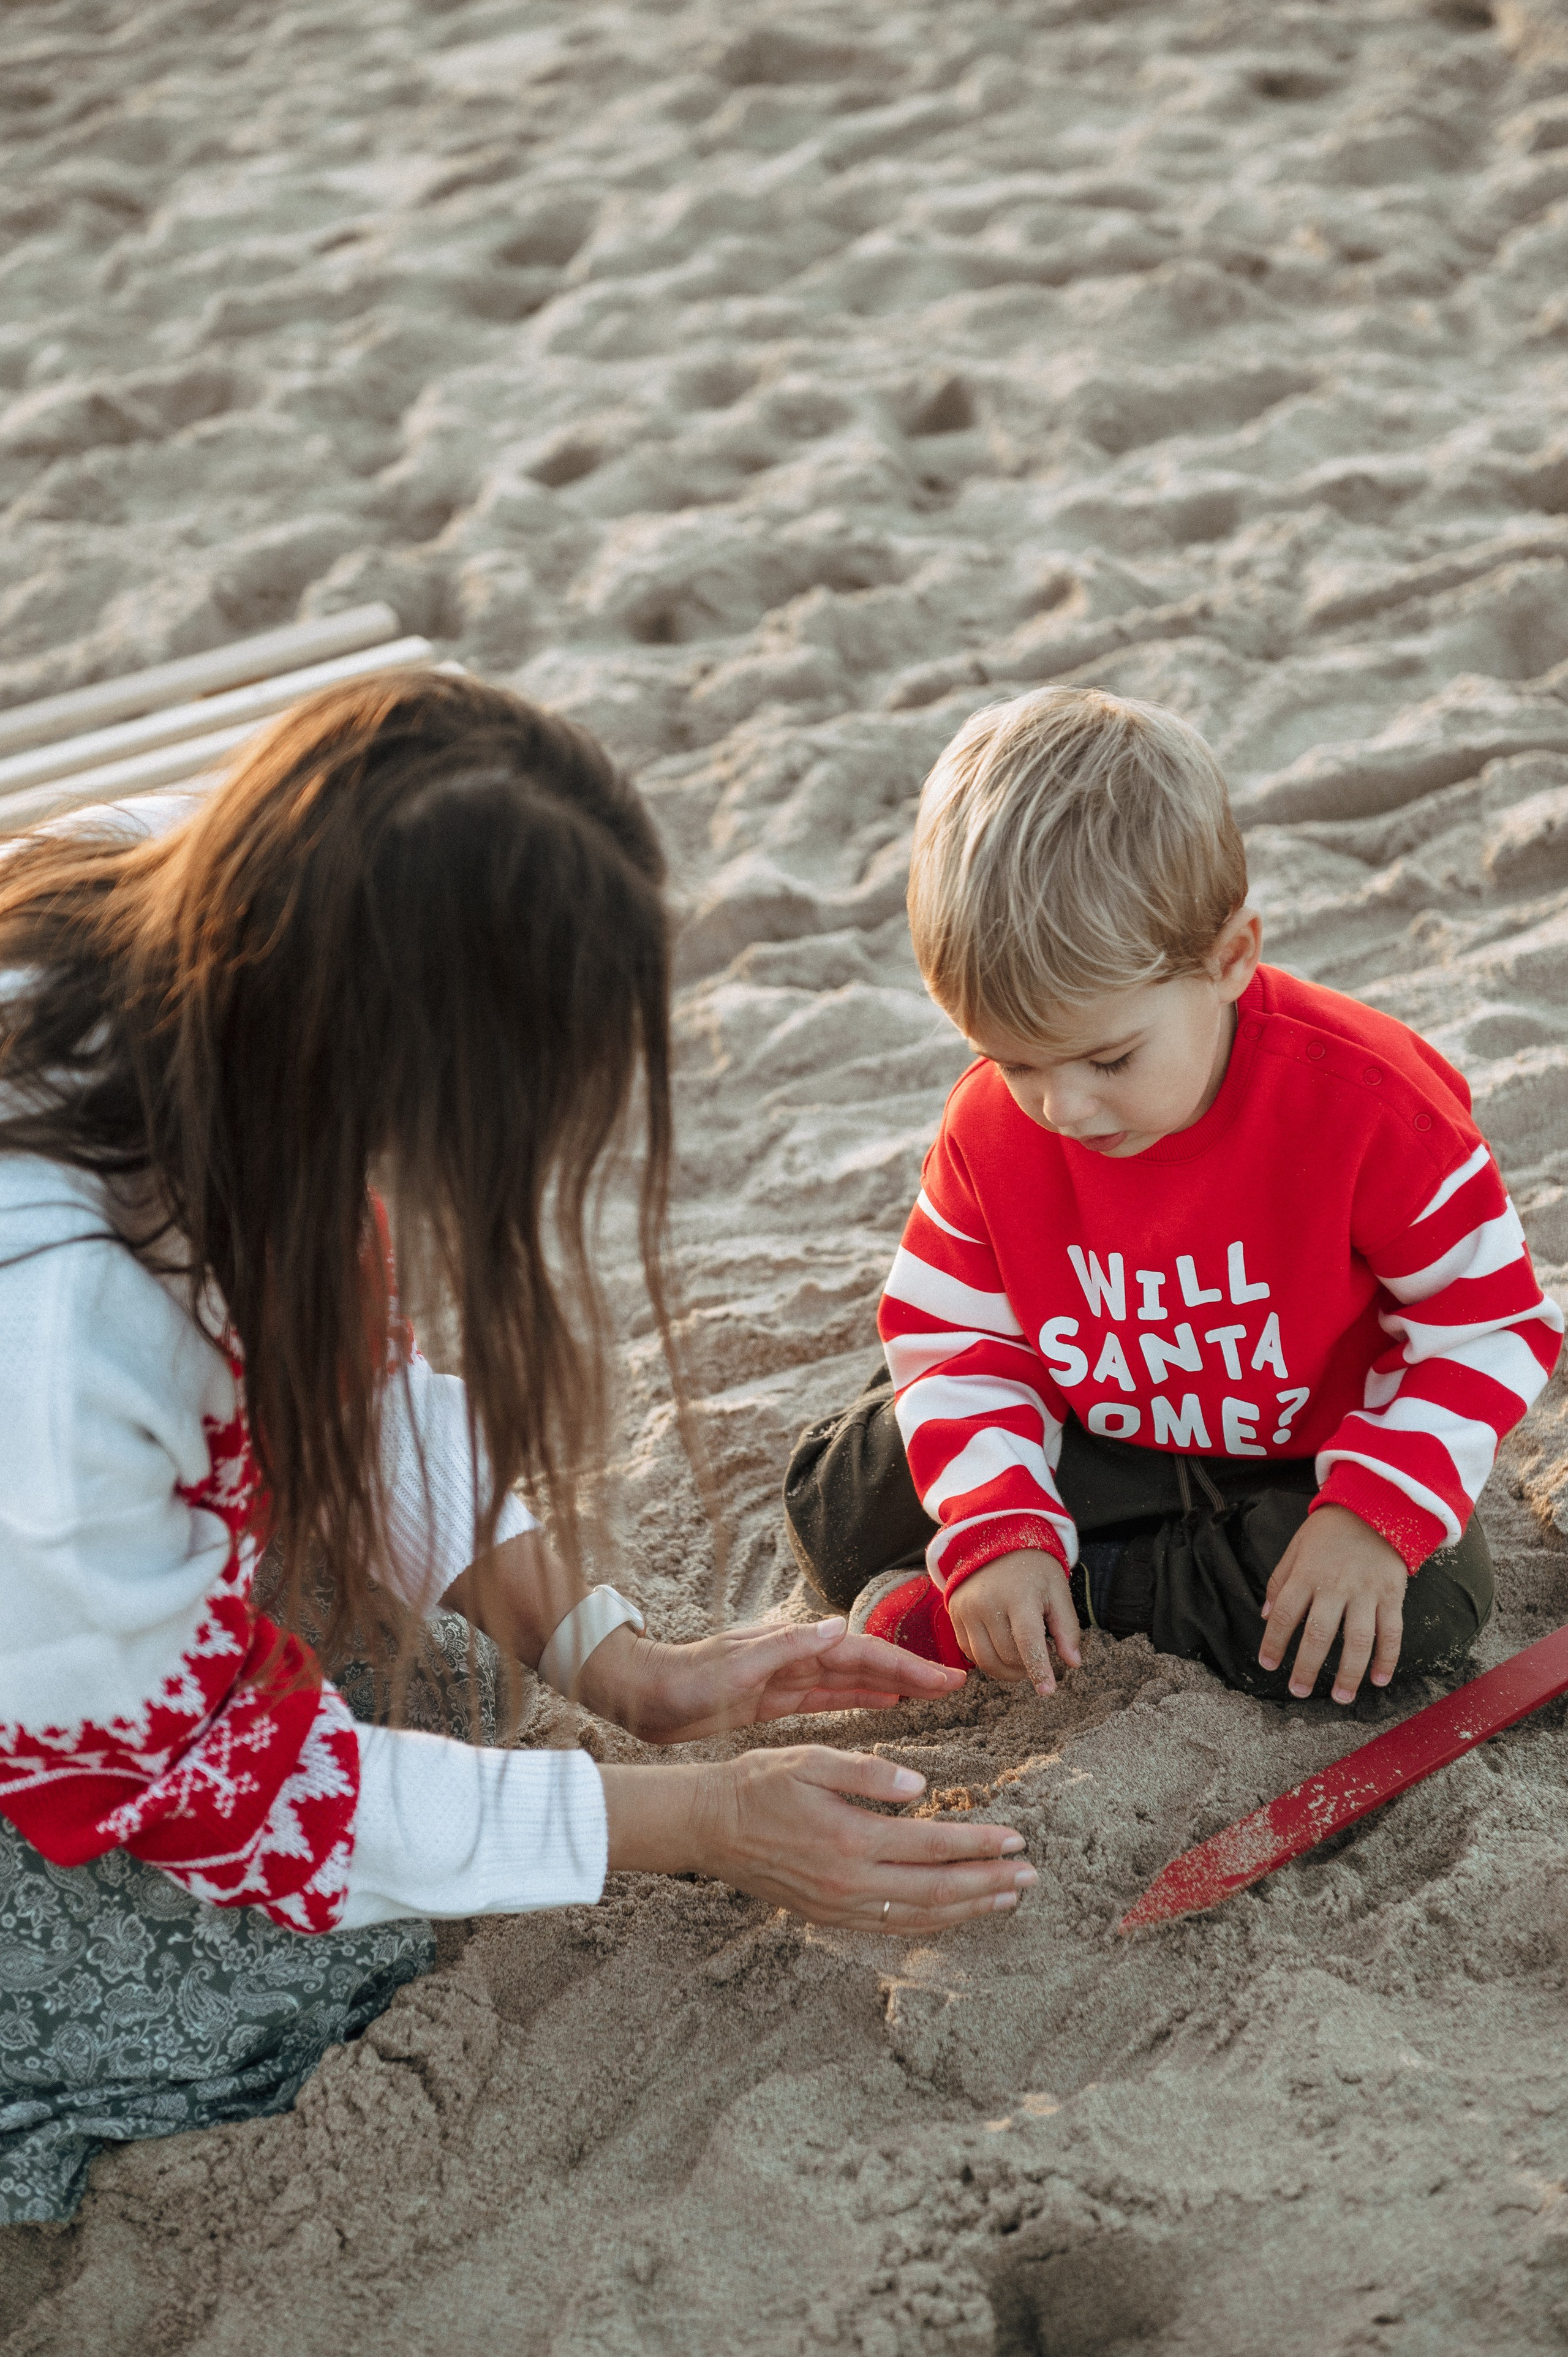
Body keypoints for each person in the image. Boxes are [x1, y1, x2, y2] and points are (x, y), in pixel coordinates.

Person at [0, 671, 1034, 2226]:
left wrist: (626, 1666)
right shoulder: (56, 1326)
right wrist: (698, 1825)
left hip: (67, 1574)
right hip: (58, 1619)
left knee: (458, 1695)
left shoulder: (210, 922)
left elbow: (356, 1369)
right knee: (272, 1993)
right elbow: (211, 1787)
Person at [784, 687, 1562, 1710]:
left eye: (1109, 1057)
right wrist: (997, 1527)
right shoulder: (995, 1123)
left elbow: (1487, 1323)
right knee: (834, 1513)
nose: (1063, 1106)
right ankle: (1016, 1587)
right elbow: (956, 1340)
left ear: (1230, 959)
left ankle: (1058, 1604)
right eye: (1014, 1063)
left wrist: (1370, 1515)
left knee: (1423, 1610)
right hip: (1092, 1422)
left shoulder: (1369, 1107)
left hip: (1293, 1455)